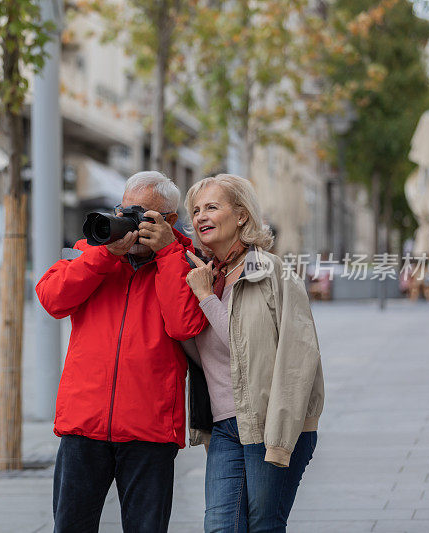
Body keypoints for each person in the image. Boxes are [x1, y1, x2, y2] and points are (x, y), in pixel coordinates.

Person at [36, 171, 208, 533]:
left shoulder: (187, 265)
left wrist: (166, 254)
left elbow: (184, 326)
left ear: (170, 220)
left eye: (142, 214)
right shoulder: (90, 255)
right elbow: (52, 300)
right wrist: (102, 257)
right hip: (84, 425)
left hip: (150, 428)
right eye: (124, 211)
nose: (128, 222)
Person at [181, 174, 324, 533]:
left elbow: (296, 358)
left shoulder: (271, 273)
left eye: (212, 207)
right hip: (225, 427)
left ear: (242, 215)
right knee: (220, 526)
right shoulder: (206, 275)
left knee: (263, 526)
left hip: (271, 422)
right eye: (196, 210)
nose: (201, 216)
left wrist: (206, 299)